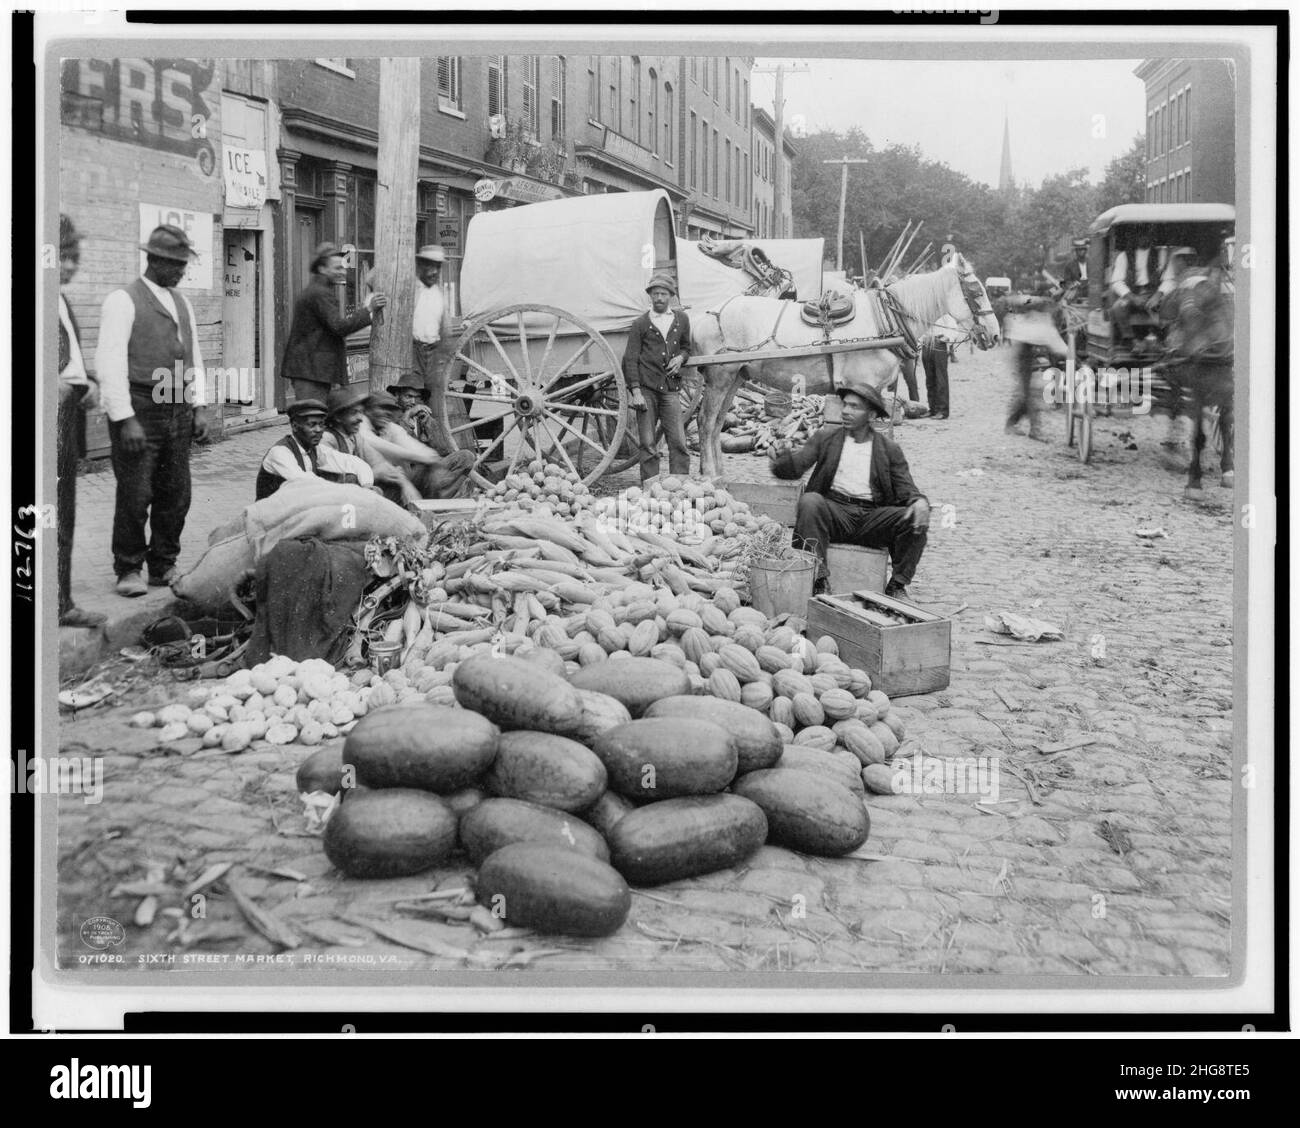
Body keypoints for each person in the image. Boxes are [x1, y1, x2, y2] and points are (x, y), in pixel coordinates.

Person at [96, 224, 214, 597]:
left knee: (176, 492)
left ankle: (163, 564)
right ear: (155, 260)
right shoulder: (123, 300)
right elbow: (109, 362)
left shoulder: (182, 302)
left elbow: (192, 356)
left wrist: (199, 406)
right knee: (136, 492)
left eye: (184, 264)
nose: (181, 271)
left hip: (176, 405)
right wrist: (124, 418)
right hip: (140, 406)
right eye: (176, 264)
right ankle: (128, 568)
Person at [769, 380, 930, 600]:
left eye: (855, 407)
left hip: (873, 518)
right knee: (810, 502)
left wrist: (919, 502)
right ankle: (819, 579)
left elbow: (906, 488)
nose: (846, 411)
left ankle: (898, 585)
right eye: (845, 405)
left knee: (915, 518)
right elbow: (795, 468)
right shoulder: (825, 439)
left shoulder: (889, 450)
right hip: (835, 513)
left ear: (871, 415)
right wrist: (782, 458)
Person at [55, 215, 106, 626]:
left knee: (62, 512)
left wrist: (85, 381)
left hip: (65, 417)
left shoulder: (60, 299)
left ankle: (60, 602)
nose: (72, 266)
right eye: (65, 256)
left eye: (75, 257)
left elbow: (69, 361)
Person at [280, 243, 388, 403]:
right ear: (322, 269)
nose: (342, 272)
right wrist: (369, 309)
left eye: (343, 267)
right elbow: (339, 327)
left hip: (313, 370)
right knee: (312, 417)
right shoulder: (320, 293)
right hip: (312, 371)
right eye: (337, 268)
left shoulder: (318, 291)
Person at [623, 273, 692, 482]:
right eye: (655, 294)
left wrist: (680, 358)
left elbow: (687, 347)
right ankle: (650, 487)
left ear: (670, 296)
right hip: (646, 390)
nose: (659, 298)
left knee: (678, 441)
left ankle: (679, 486)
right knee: (648, 443)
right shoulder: (641, 324)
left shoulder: (681, 319)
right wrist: (636, 392)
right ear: (650, 296)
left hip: (670, 390)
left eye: (663, 294)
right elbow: (630, 359)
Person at [320, 385, 421, 506]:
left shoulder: (355, 437)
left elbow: (379, 463)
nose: (360, 419)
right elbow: (335, 482)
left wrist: (405, 484)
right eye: (354, 413)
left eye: (361, 412)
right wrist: (374, 474)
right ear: (337, 417)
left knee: (397, 484)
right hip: (335, 503)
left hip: (355, 495)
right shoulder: (327, 439)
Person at [365, 389, 476, 499]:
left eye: (417, 398)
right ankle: (434, 500)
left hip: (417, 476)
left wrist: (428, 428)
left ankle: (435, 499)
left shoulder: (392, 425)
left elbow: (441, 449)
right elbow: (385, 450)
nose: (413, 402)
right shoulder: (365, 427)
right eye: (408, 396)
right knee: (424, 470)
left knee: (466, 457)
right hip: (387, 481)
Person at [255, 399, 375, 499]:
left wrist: (367, 486)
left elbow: (355, 463)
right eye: (312, 425)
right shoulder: (280, 452)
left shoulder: (316, 450)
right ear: (295, 426)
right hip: (269, 518)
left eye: (321, 424)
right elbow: (305, 482)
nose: (318, 430)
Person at [919, 315, 960, 420]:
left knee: (940, 378)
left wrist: (947, 337)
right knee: (929, 379)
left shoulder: (944, 315)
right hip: (926, 344)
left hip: (938, 344)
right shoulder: (926, 312)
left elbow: (955, 329)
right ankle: (932, 409)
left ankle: (943, 411)